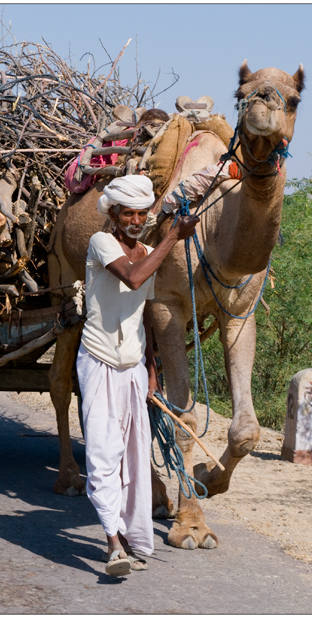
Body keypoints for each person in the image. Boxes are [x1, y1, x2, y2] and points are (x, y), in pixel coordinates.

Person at [78, 174, 199, 577]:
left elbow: (143, 318)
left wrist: (151, 373)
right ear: (113, 215)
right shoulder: (103, 244)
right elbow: (131, 277)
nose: (134, 219)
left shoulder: (147, 251)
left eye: (141, 213)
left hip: (132, 369)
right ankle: (113, 544)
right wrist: (174, 238)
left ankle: (129, 540)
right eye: (127, 213)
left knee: (134, 458)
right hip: (99, 363)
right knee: (102, 456)